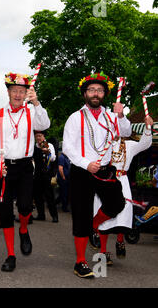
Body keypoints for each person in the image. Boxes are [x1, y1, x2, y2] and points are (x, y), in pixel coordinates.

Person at [62, 71, 132, 278]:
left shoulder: (111, 117)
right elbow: (67, 147)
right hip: (82, 172)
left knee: (117, 204)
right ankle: (80, 262)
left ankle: (94, 225)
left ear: (104, 94)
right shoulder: (75, 117)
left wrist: (121, 115)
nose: (95, 93)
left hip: (105, 170)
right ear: (85, 93)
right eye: (91, 90)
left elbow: (126, 132)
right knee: (81, 214)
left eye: (99, 90)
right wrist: (86, 163)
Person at [0, 72, 51, 272]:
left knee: (24, 207)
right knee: (4, 211)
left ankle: (23, 229)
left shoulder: (31, 112)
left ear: (26, 93)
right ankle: (11, 255)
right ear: (8, 92)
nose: (18, 95)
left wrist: (37, 102)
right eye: (15, 91)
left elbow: (44, 124)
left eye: (22, 91)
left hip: (24, 166)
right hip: (3, 167)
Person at [93, 115, 153, 262]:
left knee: (123, 214)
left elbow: (145, 144)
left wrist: (148, 128)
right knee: (104, 215)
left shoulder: (129, 145)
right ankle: (103, 251)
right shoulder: (101, 144)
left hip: (122, 181)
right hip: (105, 181)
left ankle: (120, 240)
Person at [32, 130, 58, 222]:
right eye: (36, 136)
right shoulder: (34, 146)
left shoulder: (48, 145)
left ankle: (54, 216)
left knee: (49, 196)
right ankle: (41, 215)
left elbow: (54, 158)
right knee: (38, 196)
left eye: (40, 136)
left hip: (46, 174)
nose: (38, 138)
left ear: (43, 136)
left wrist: (48, 153)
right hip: (37, 174)